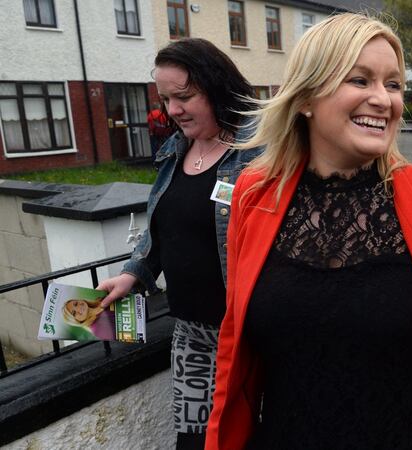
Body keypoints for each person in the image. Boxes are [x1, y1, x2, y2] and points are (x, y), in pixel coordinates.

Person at [205, 13, 412, 450]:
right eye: (360, 80)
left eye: (393, 85)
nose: (383, 99)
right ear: (306, 98)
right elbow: (234, 344)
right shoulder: (254, 196)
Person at [96, 38, 261, 448]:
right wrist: (132, 274)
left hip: (249, 337)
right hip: (191, 335)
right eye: (166, 99)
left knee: (251, 438)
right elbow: (165, 227)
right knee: (193, 442)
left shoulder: (258, 151)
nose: (173, 110)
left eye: (184, 97)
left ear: (218, 87)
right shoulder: (175, 151)